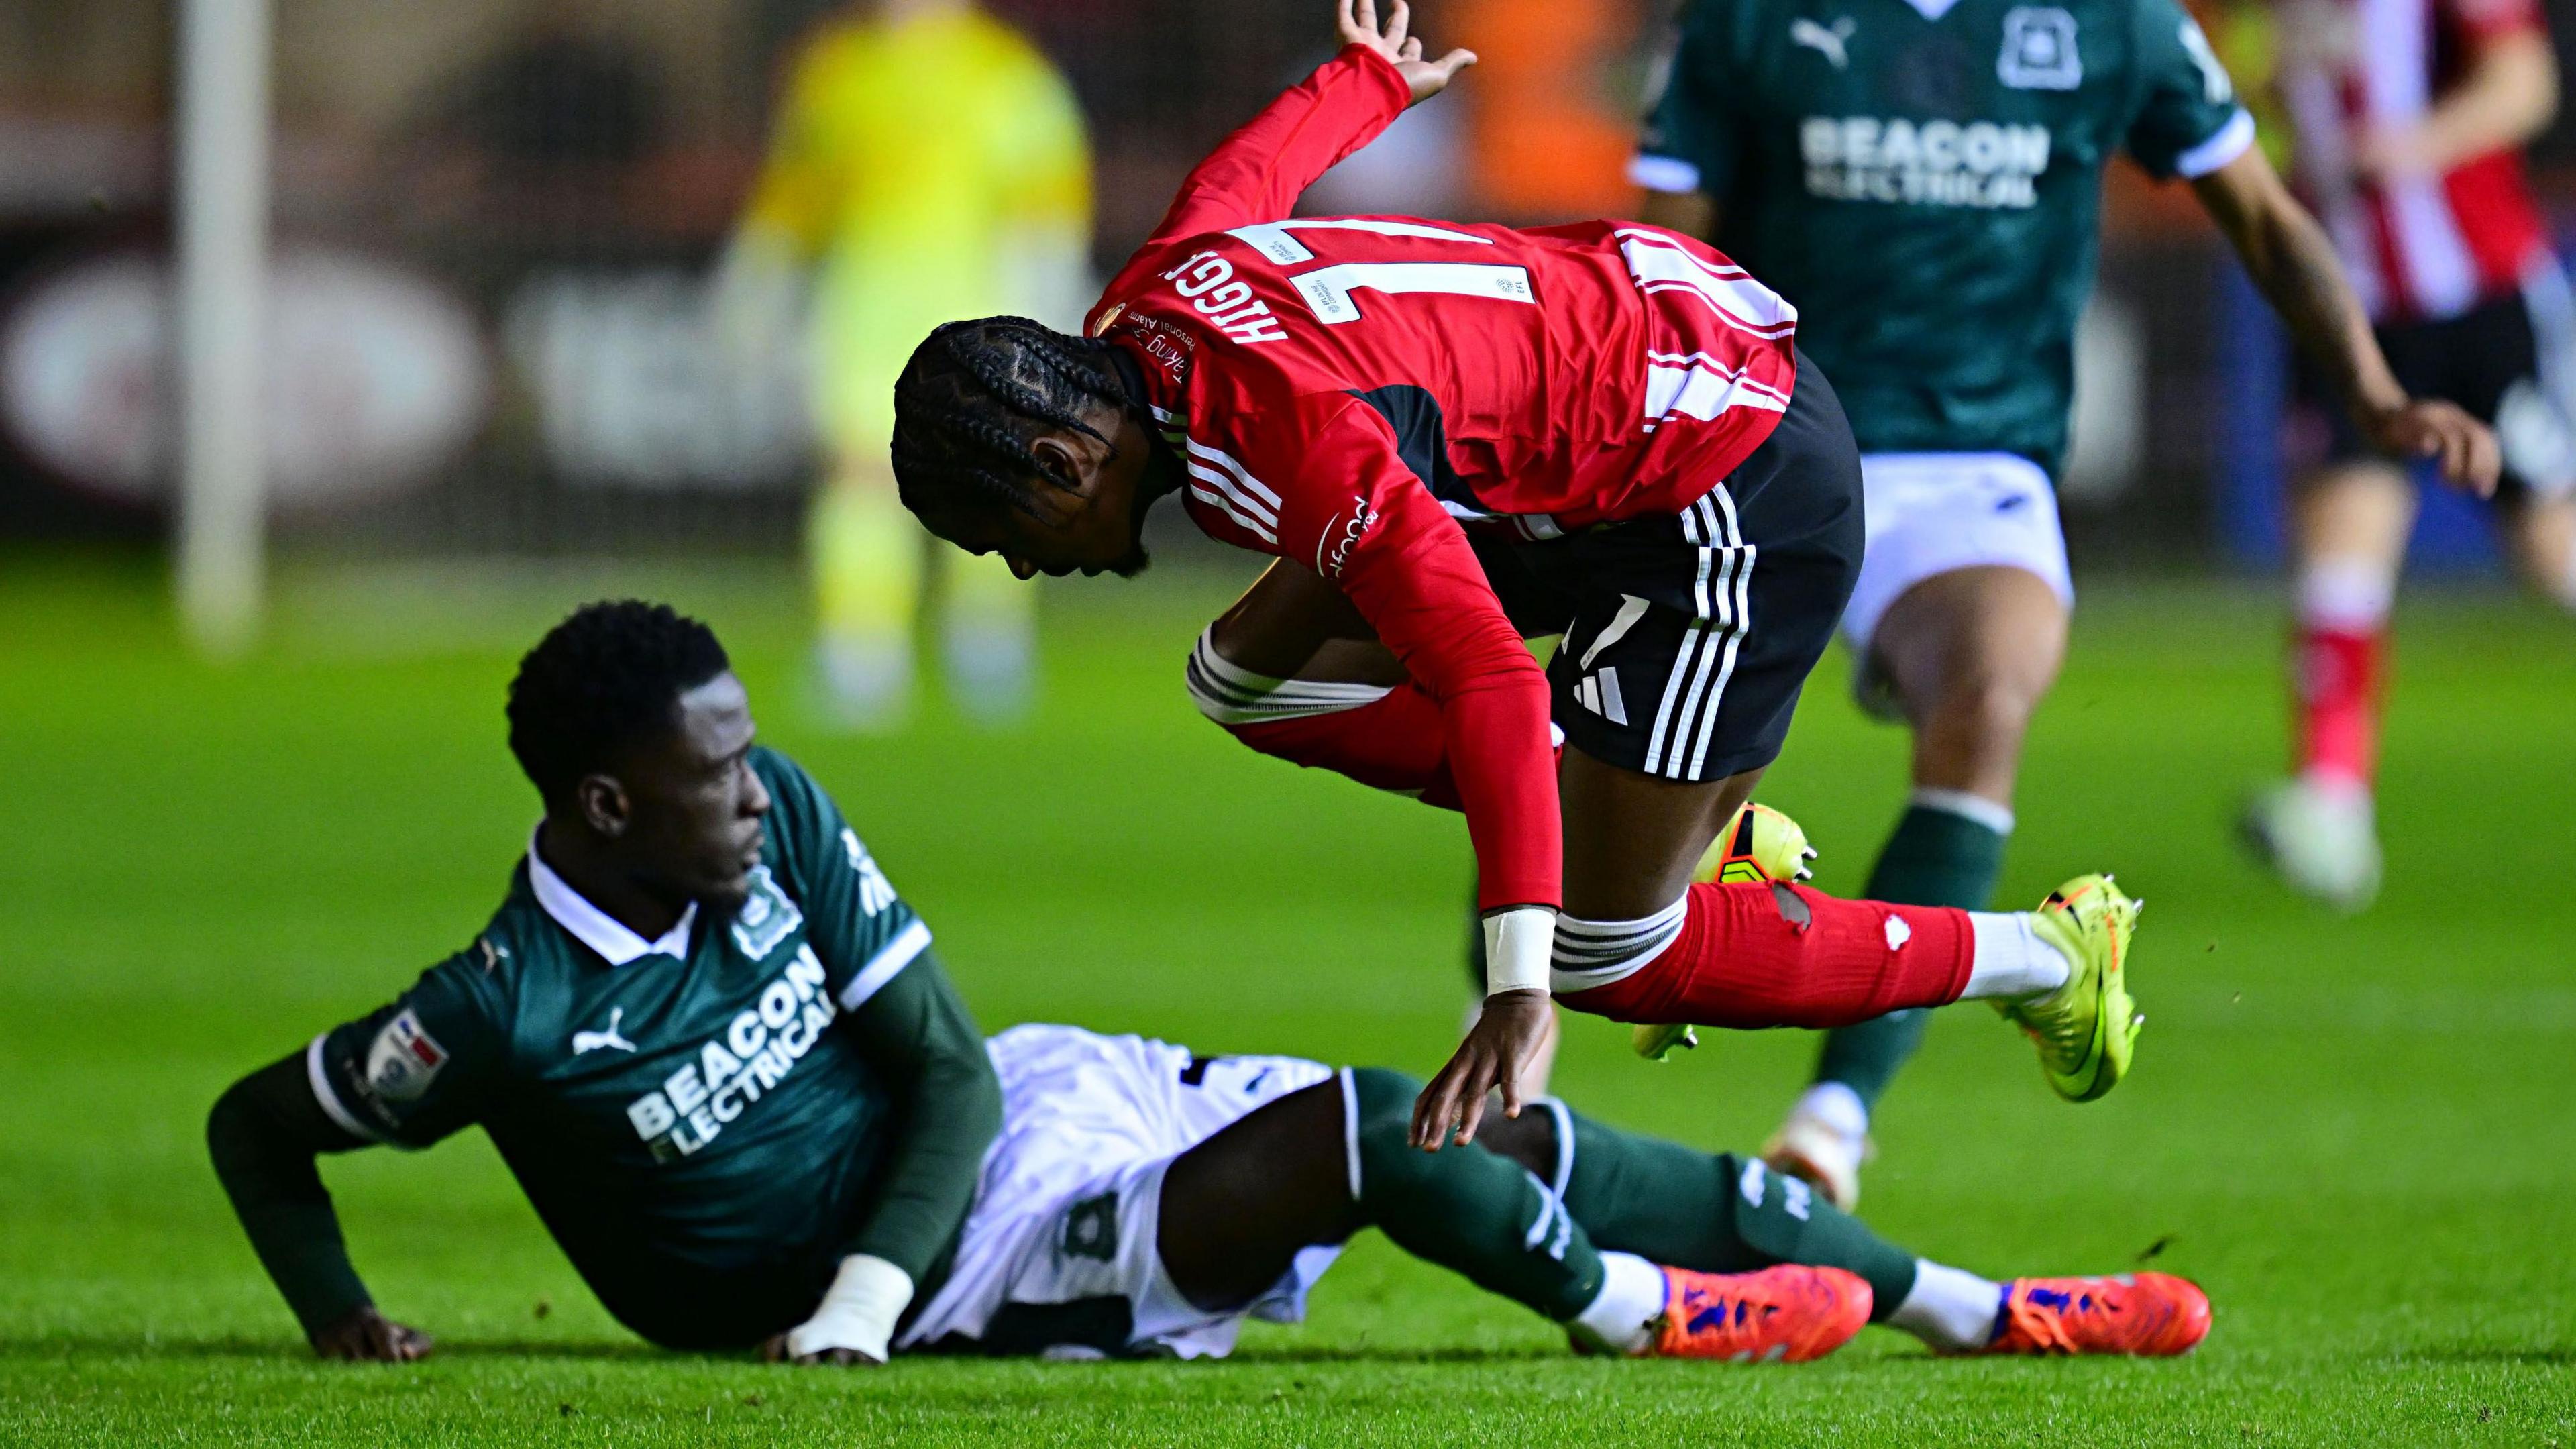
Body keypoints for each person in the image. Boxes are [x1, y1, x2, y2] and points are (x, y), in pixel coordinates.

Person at [204, 601, 2210, 1365]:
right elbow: (255, 1131)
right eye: (712, 777)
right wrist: (339, 1324)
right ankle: (1650, 1322)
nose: (757, 792)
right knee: (1374, 1142)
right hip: (969, 1285)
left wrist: (849, 1294)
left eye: (750, 756)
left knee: (1502, 1124)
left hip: (976, 1162)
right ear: (600, 802)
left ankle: (1978, 1306)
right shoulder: (490, 1014)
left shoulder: (780, 818)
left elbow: (940, 1072)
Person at [885, 0, 2151, 1154]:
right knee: (1241, 674)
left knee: (1612, 953)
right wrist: (1364, 81)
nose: (1021, 564)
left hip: (1730, 472)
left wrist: (1515, 988)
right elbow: (1241, 182)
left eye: (1004, 535)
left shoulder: (1305, 449)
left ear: (1060, 457)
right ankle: (1681, 823)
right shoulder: (1140, 318)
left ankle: (2044, 957)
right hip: (1610, 391)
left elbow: (1489, 678)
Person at [1627, 0, 2500, 1205]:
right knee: (1601, 760)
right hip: (1767, 441)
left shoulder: (2114, 26)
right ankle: (1522, 1035)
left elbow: (2262, 212)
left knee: (1989, 697)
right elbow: (1659, 254)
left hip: (1976, 468)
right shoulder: (1751, 22)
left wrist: (2377, 391)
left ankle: (1833, 1127)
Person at [2238, 0, 2574, 909]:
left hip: (2482, 302)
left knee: (2554, 553)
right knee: (2342, 542)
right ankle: (2333, 810)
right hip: (2351, 314)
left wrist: (2414, 143)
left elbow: (2525, 83)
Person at [714, 0, 1091, 729]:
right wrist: (754, 278)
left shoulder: (1006, 73)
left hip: (976, 300)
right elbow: (796, 190)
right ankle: (862, 653)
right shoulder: (838, 71)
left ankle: (986, 644)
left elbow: (1047, 201)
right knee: (859, 473)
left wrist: (1043, 307)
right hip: (862, 302)